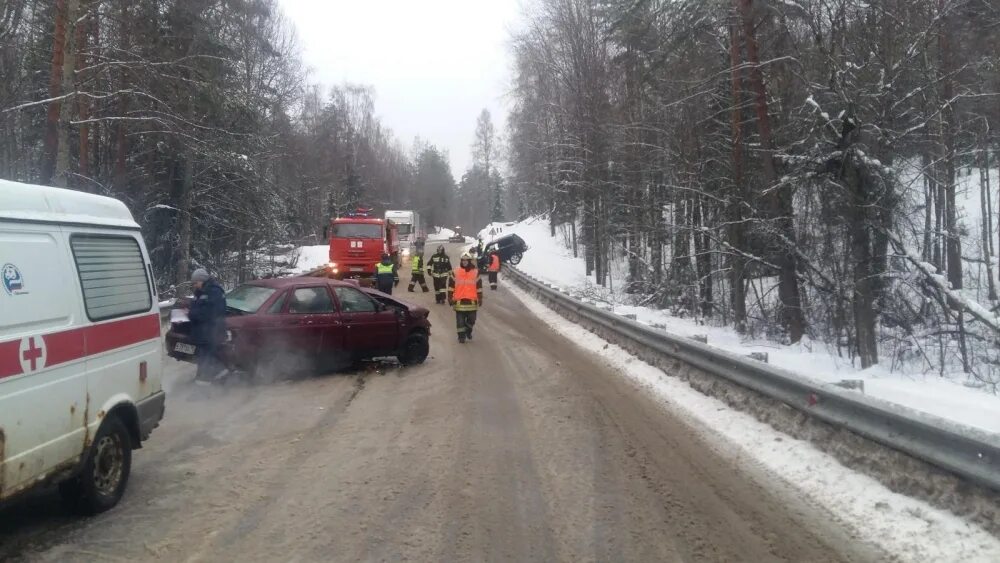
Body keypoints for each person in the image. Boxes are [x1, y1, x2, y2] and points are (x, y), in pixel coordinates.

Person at [188, 268, 227, 385]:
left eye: (196, 283)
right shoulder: (200, 292)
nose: (195, 286)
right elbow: (195, 308)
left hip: (211, 334)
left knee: (206, 361)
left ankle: (202, 391)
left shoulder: (215, 292)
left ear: (202, 280)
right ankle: (218, 378)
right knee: (204, 360)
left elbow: (211, 313)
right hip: (202, 334)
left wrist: (192, 314)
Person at [448, 252, 483, 343]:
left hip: (472, 301)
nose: (464, 262)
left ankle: (468, 331)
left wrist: (480, 297)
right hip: (459, 300)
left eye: (466, 260)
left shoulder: (476, 272)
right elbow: (451, 286)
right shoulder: (455, 272)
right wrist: (449, 297)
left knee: (472, 319)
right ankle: (461, 337)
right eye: (463, 260)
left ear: (470, 261)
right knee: (460, 321)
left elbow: (479, 286)